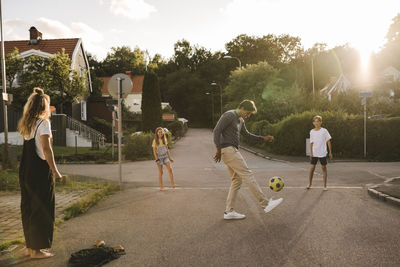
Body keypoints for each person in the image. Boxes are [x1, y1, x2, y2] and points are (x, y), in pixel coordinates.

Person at [213, 100, 283, 220]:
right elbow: (216, 131)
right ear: (242, 108)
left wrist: (263, 139)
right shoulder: (229, 115)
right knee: (247, 174)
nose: (248, 115)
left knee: (236, 180)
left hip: (231, 150)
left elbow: (248, 135)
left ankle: (229, 211)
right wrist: (218, 150)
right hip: (228, 150)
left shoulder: (240, 120)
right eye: (248, 113)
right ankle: (265, 203)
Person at [18, 88, 62, 259]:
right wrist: (56, 171)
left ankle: (30, 247)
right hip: (39, 172)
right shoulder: (43, 123)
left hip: (25, 171)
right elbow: (46, 149)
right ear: (45, 106)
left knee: (28, 207)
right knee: (42, 209)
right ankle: (37, 251)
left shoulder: (27, 123)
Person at [307, 115, 332, 191]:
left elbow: (328, 141)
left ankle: (324, 186)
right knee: (312, 168)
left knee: (324, 168)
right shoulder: (311, 131)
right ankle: (309, 184)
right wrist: (311, 153)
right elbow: (311, 143)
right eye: (315, 121)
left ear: (321, 122)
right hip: (314, 153)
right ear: (313, 123)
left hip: (323, 153)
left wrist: (330, 152)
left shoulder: (324, 131)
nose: (316, 123)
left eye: (318, 121)